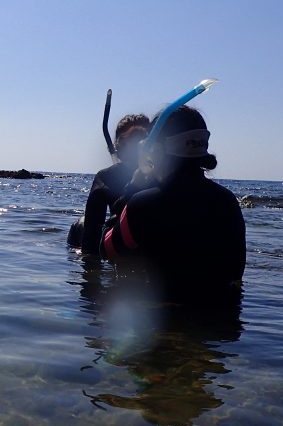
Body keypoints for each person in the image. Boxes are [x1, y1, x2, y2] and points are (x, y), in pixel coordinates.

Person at [101, 105, 245, 303]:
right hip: (219, 322)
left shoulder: (143, 204)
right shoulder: (228, 202)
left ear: (157, 151)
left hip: (163, 325)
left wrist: (130, 191)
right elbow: (236, 271)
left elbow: (108, 250)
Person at [68, 114, 151, 254]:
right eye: (130, 142)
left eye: (141, 140)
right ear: (119, 147)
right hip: (121, 242)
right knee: (80, 225)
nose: (135, 149)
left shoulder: (163, 175)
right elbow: (91, 236)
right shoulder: (107, 177)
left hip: (153, 245)